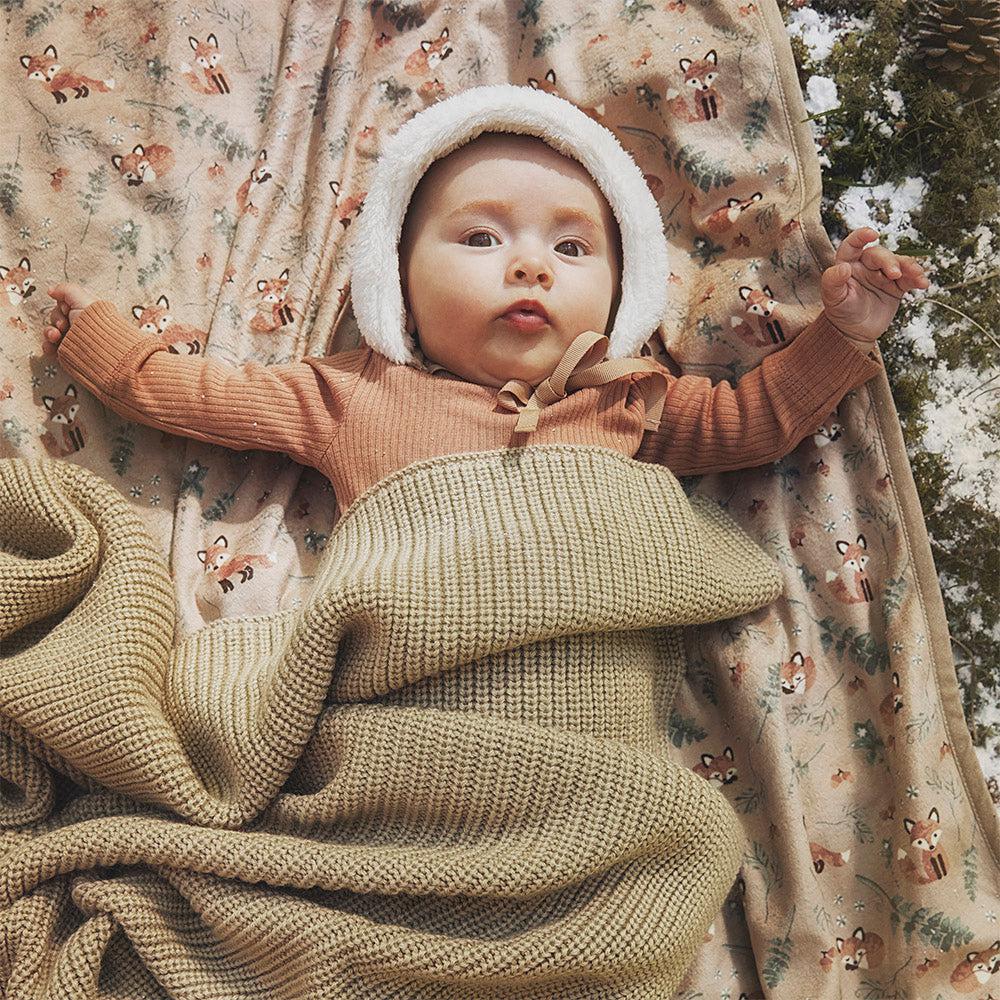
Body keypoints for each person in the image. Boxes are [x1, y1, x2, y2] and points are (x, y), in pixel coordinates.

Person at [43, 85, 928, 517]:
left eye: (572, 247)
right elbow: (205, 397)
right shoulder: (354, 395)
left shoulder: (627, 399)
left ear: (626, 291)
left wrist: (842, 331)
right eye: (480, 238)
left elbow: (756, 417)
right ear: (396, 280)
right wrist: (101, 341)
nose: (531, 267)